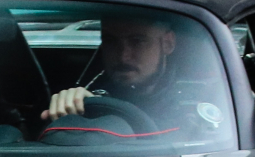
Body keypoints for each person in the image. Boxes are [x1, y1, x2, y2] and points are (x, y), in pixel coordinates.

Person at [44, 14, 194, 124]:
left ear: (168, 44)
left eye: (138, 41)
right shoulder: (91, 92)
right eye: (111, 41)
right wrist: (71, 107)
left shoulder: (194, 101)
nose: (123, 57)